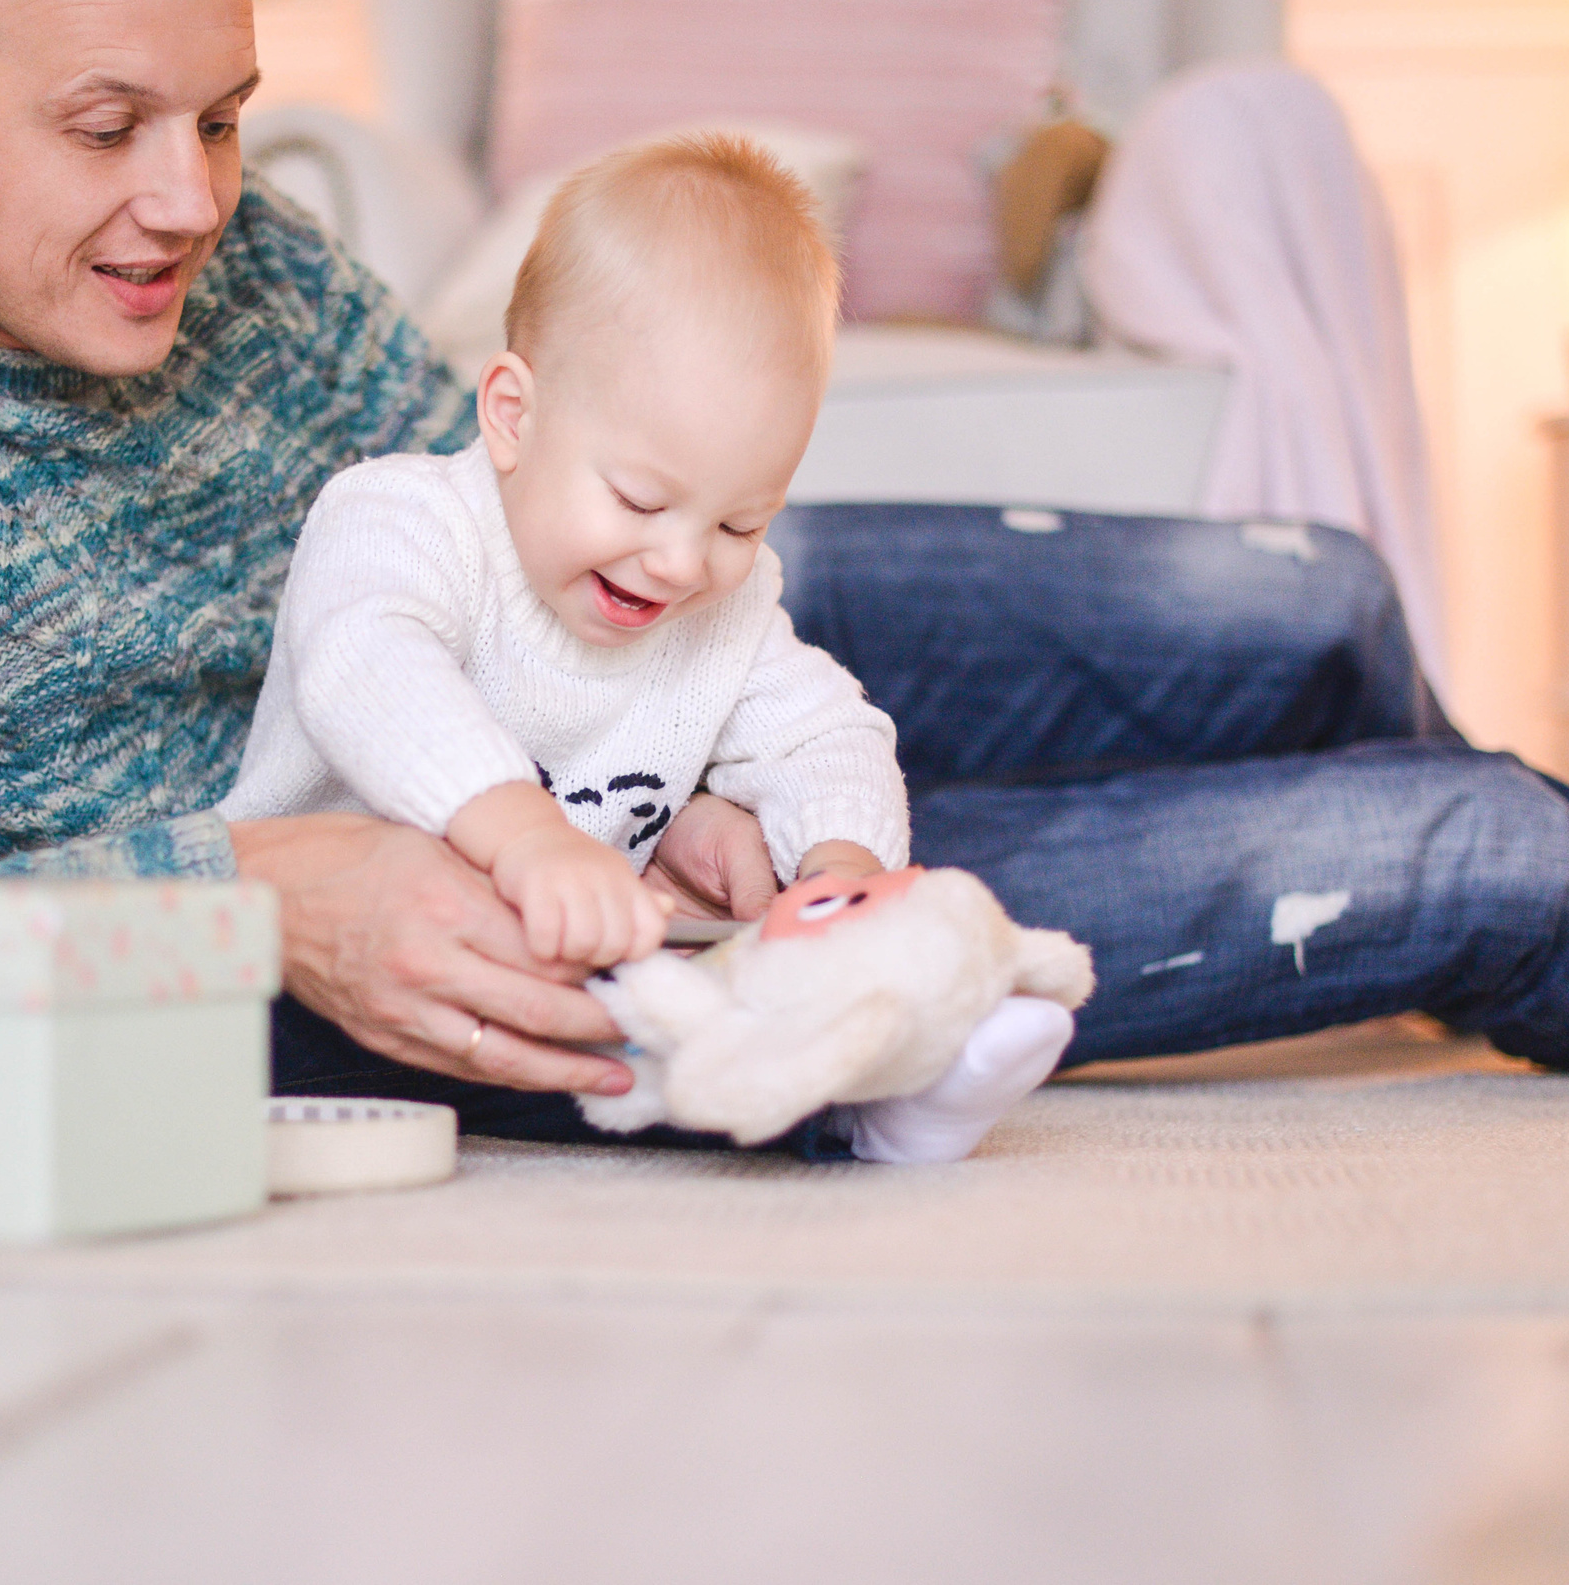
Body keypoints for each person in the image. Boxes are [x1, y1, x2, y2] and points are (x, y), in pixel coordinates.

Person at [0, 0, 1569, 1161]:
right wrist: (246, 897)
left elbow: (517, 509)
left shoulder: (233, 264)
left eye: (226, 121)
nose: (192, 200)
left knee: (1304, 594)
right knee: (1475, 861)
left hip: (616, 671)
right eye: (110, 127)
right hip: (480, 939)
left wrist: (742, 763)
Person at [219, 132, 1078, 1158]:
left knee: (689, 1012)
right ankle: (850, 1098)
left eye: (737, 522)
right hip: (296, 978)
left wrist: (839, 870)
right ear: (512, 416)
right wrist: (525, 836)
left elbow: (823, 727)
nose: (677, 563)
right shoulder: (400, 519)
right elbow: (368, 666)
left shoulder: (717, 602)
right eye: (639, 498)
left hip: (556, 977)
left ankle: (872, 1094)